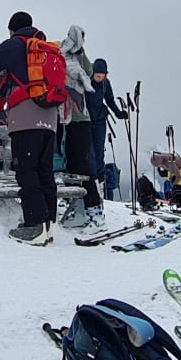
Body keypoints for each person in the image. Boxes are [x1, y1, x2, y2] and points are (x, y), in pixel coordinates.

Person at [0, 11, 64, 246]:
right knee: (44, 170)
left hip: (25, 116)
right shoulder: (45, 48)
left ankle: (35, 226)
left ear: (12, 29)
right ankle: (47, 224)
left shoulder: (14, 45)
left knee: (26, 170)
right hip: (50, 116)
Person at [56, 25, 104, 229]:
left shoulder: (73, 56)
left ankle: (92, 211)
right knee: (73, 166)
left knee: (80, 167)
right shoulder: (68, 54)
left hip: (74, 119)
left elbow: (89, 73)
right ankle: (80, 208)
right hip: (71, 118)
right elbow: (89, 73)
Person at [87, 57, 128, 199]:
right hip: (86, 120)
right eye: (97, 75)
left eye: (102, 76)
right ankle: (92, 181)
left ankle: (100, 181)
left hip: (99, 120)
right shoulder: (85, 81)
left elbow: (109, 99)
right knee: (90, 152)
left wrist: (118, 113)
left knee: (99, 151)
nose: (99, 78)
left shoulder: (105, 84)